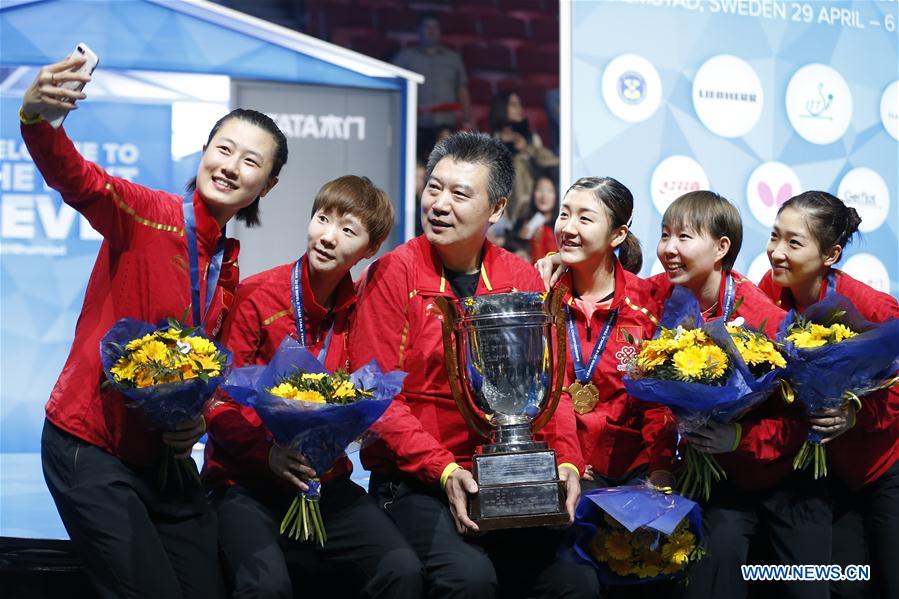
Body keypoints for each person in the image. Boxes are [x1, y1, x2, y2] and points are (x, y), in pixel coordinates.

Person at [25, 54, 286, 598]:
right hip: (90, 445)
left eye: (251, 162)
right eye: (224, 149)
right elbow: (80, 180)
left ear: (268, 184)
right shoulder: (149, 214)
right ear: (205, 151)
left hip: (162, 460)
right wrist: (40, 121)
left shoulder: (227, 264)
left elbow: (200, 364)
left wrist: (198, 418)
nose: (231, 166)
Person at [349, 132, 599, 599]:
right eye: (434, 188)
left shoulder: (517, 277)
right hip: (418, 482)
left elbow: (551, 389)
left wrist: (566, 460)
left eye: (460, 194)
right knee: (469, 579)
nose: (439, 204)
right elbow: (377, 396)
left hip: (507, 473)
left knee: (575, 583)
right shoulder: (393, 274)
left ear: (497, 209)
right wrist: (443, 469)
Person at [203, 175, 424, 598]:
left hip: (325, 482)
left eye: (347, 230)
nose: (327, 237)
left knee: (402, 569)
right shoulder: (257, 296)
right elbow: (219, 401)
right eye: (323, 219)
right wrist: (266, 454)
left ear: (370, 248)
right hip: (244, 482)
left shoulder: (363, 309)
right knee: (267, 588)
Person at [651, 191, 829, 599]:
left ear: (721, 248)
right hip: (721, 482)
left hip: (788, 480)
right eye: (664, 236)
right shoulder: (666, 298)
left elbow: (806, 420)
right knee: (712, 572)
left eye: (683, 237)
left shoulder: (767, 320)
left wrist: (739, 439)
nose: (669, 249)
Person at [759, 191, 899, 598]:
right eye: (774, 236)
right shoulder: (769, 291)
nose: (777, 252)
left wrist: (856, 413)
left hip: (883, 467)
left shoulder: (871, 307)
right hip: (824, 475)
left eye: (794, 242)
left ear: (831, 254)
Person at [551, 177, 675, 492]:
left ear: (618, 234)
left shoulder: (647, 304)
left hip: (635, 471)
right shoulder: (542, 301)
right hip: (564, 468)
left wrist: (661, 468)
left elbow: (657, 401)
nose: (568, 227)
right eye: (564, 214)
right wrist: (567, 460)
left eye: (584, 218)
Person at [393, 12, 473, 161]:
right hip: (415, 125)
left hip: (446, 125)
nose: (431, 31)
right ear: (418, 30)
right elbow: (392, 86)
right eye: (427, 27)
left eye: (435, 27)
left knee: (445, 164)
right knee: (414, 165)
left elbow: (462, 88)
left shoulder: (453, 59)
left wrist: (467, 118)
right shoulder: (405, 57)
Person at [487, 91, 559, 220]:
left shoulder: (532, 139)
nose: (519, 108)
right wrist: (500, 143)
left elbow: (552, 161)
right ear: (502, 108)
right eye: (513, 104)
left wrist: (526, 148)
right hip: (503, 206)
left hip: (532, 202)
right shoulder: (490, 140)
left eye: (520, 104)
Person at [517, 175, 559, 262]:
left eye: (549, 191)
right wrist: (520, 239)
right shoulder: (522, 223)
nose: (544, 196)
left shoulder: (560, 226)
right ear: (533, 194)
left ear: (556, 195)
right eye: (539, 189)